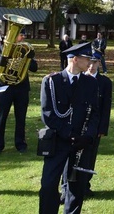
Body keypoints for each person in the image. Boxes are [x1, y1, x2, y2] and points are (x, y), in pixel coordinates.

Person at [39, 43, 99, 214]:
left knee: (76, 188)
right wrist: (69, 134)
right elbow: (48, 114)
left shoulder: (90, 83)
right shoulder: (52, 81)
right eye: (86, 58)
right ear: (74, 59)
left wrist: (88, 137)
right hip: (58, 141)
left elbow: (95, 113)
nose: (89, 62)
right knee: (49, 185)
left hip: (80, 143)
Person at [0, 30, 38, 155]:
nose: (23, 38)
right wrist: (6, 60)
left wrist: (30, 57)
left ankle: (20, 143)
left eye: (23, 35)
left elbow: (34, 68)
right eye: (21, 35)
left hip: (21, 88)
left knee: (21, 118)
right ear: (13, 35)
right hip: (5, 87)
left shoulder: (26, 50)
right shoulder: (0, 49)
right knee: (1, 118)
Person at [80, 51, 112, 197]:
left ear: (100, 63)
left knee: (90, 156)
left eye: (95, 62)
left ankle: (85, 185)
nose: (91, 66)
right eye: (89, 62)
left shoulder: (105, 82)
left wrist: (102, 128)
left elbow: (106, 107)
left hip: (94, 126)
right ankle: (69, 185)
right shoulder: (79, 78)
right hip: (77, 124)